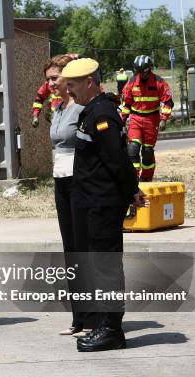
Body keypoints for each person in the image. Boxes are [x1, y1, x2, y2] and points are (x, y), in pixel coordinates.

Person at [62, 58, 147, 352]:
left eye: (72, 85)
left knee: (106, 266)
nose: (68, 91)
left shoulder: (103, 114)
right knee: (96, 265)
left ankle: (111, 329)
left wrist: (132, 191)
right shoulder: (91, 111)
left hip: (103, 204)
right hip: (90, 203)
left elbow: (117, 160)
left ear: (89, 82)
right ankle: (102, 324)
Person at [45, 55, 96, 336]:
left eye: (55, 78)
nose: (50, 83)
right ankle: (78, 316)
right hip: (60, 179)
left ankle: (91, 317)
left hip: (79, 179)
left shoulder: (81, 108)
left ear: (69, 78)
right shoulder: (60, 108)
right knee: (70, 249)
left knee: (83, 247)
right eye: (48, 79)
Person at [120, 55, 173, 181]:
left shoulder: (159, 82)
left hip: (152, 120)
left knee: (147, 152)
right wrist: (121, 120)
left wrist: (164, 119)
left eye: (143, 71)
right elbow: (126, 104)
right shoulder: (131, 83)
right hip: (136, 119)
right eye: (138, 72)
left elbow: (168, 102)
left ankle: (146, 179)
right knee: (132, 148)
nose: (141, 75)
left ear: (149, 69)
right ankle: (133, 179)